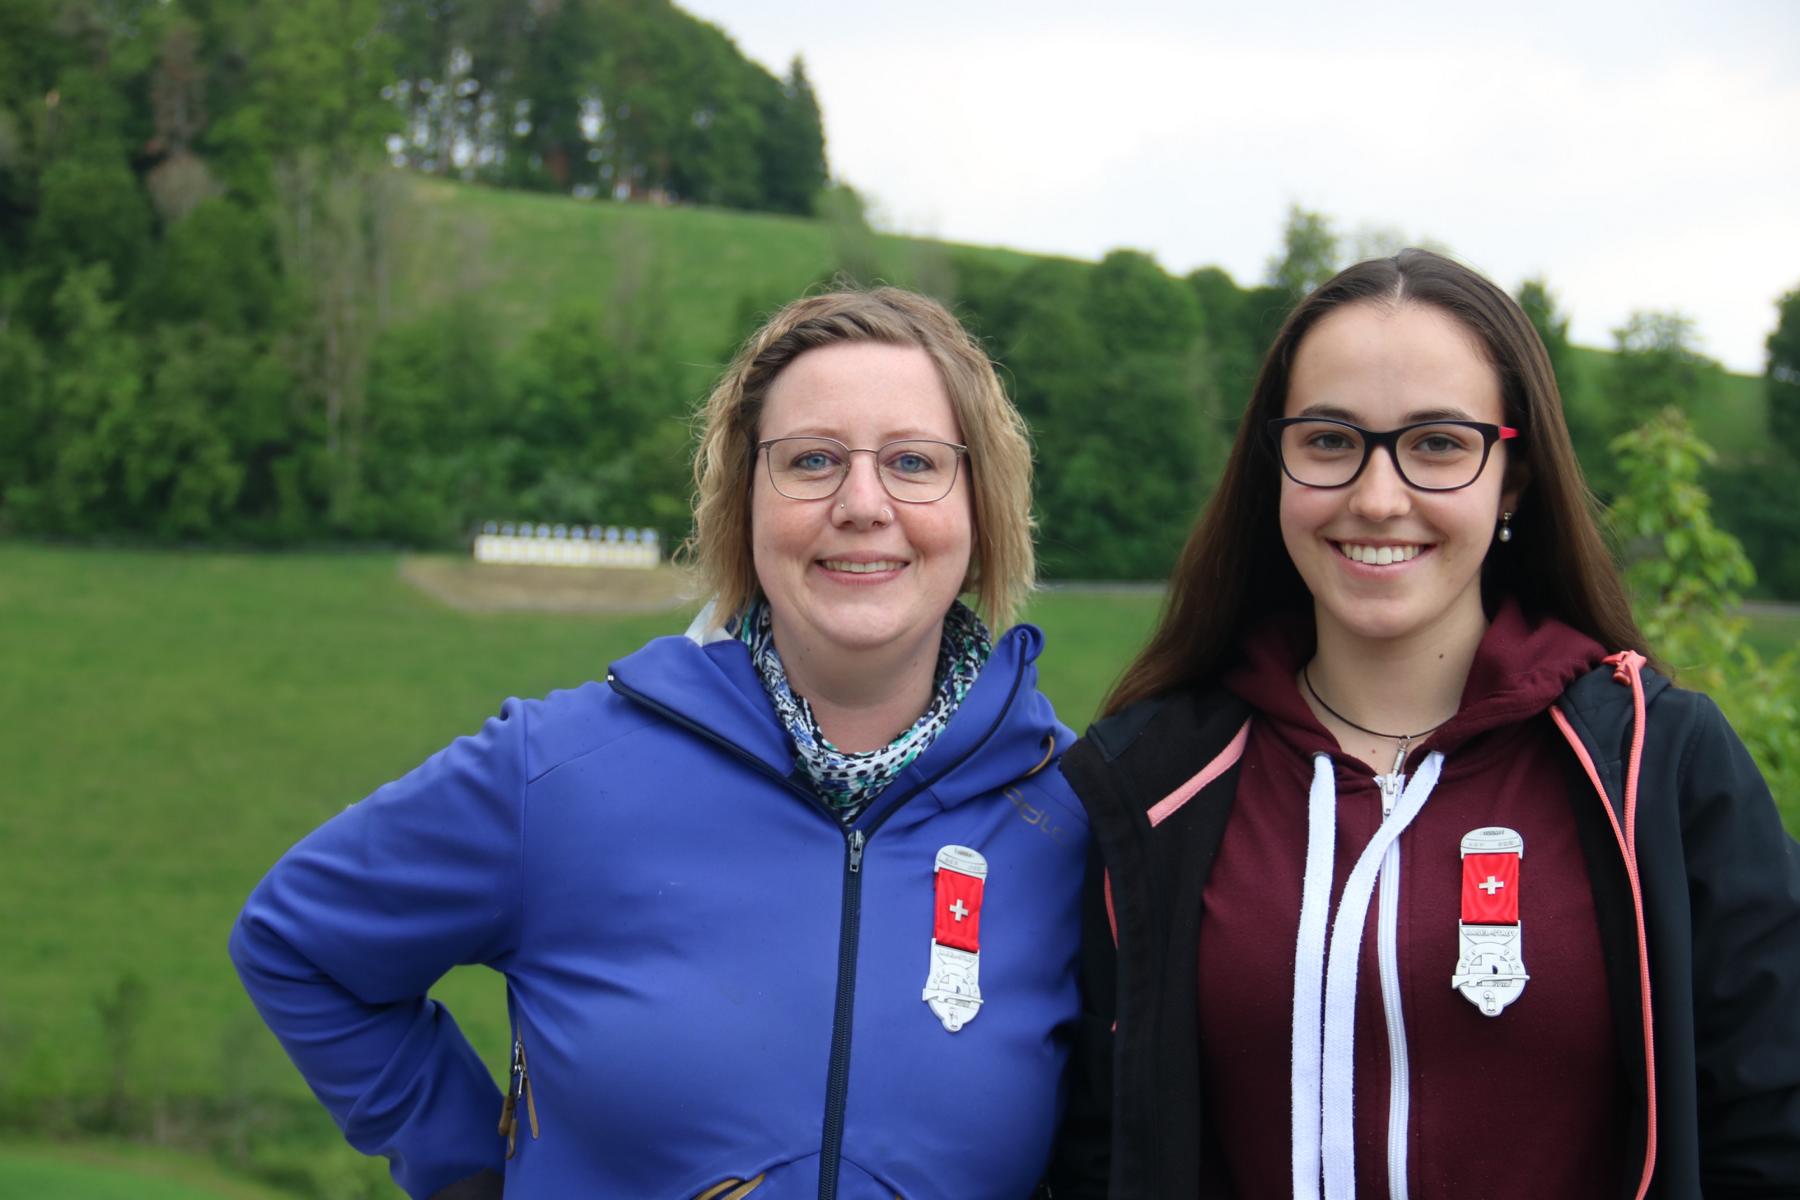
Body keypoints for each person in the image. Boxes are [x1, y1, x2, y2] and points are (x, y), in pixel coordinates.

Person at [230, 287, 1089, 1200]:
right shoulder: (558, 771)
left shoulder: (1075, 817)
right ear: (742, 504)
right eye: (812, 461)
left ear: (982, 507)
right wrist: (470, 1174)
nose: (862, 502)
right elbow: (298, 942)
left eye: (914, 461)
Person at [1054, 250, 1800, 1198]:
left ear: (1514, 478)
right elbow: (1099, 1150)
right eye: (1330, 440)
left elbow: (1772, 1135)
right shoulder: (1153, 784)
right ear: (1273, 465)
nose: (1377, 497)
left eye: (1439, 444)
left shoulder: (1658, 767)